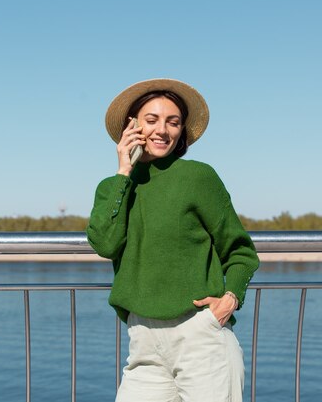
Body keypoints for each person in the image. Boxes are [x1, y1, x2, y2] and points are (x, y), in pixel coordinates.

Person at [87, 78, 260, 402]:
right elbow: (105, 244)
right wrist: (124, 170)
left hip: (200, 335)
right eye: (151, 120)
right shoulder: (113, 187)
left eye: (173, 122)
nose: (162, 130)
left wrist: (230, 299)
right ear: (133, 125)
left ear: (182, 130)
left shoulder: (198, 177)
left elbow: (241, 252)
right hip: (142, 341)